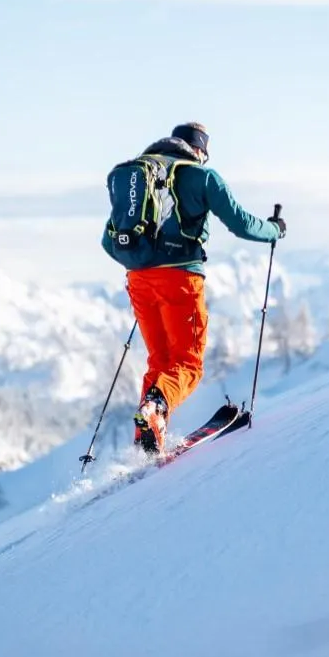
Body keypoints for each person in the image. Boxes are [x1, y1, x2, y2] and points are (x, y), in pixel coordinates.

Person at [101, 122, 284, 453]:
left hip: (139, 280)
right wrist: (274, 230)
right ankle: (155, 412)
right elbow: (241, 223)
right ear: (198, 149)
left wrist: (144, 262)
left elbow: (107, 241)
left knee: (160, 361)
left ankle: (148, 438)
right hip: (180, 279)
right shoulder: (202, 176)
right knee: (188, 364)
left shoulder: (141, 177)